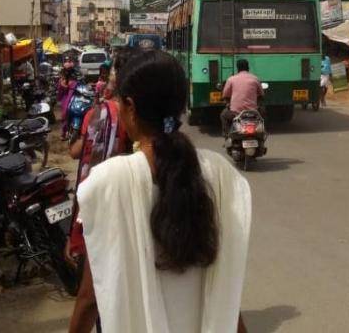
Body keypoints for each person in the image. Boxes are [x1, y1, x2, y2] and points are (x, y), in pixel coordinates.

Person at [74, 51, 251, 333]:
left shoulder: (108, 182)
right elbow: (224, 288)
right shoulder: (220, 174)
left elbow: (88, 299)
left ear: (130, 106)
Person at [67, 49, 135, 333]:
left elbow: (84, 169)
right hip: (129, 213)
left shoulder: (101, 114)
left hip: (104, 212)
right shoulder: (158, 133)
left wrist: (75, 230)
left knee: (98, 293)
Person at [220, 59, 264, 133]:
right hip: (253, 112)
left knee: (223, 115)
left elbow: (225, 95)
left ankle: (227, 135)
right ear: (248, 67)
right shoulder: (255, 79)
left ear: (237, 68)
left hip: (235, 113)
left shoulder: (231, 79)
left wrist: (227, 102)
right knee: (263, 114)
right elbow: (261, 95)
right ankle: (262, 132)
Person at [57, 56, 78, 138]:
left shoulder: (75, 78)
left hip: (72, 98)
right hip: (67, 99)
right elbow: (60, 90)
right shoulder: (63, 80)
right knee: (65, 115)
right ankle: (64, 133)